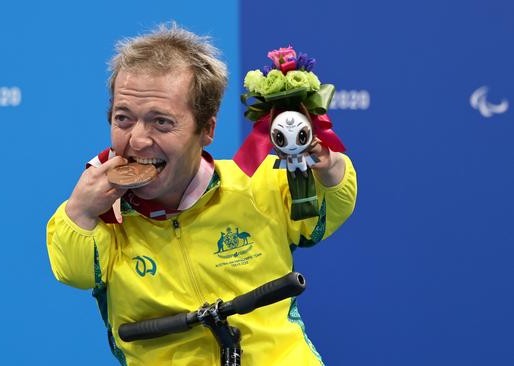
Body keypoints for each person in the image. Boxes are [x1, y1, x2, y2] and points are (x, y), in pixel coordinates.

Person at [46, 23, 357, 365]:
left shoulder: (258, 185)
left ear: (206, 128)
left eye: (161, 122)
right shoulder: (108, 217)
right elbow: (73, 271)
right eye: (123, 118)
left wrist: (330, 167)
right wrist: (80, 211)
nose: (137, 139)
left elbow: (327, 210)